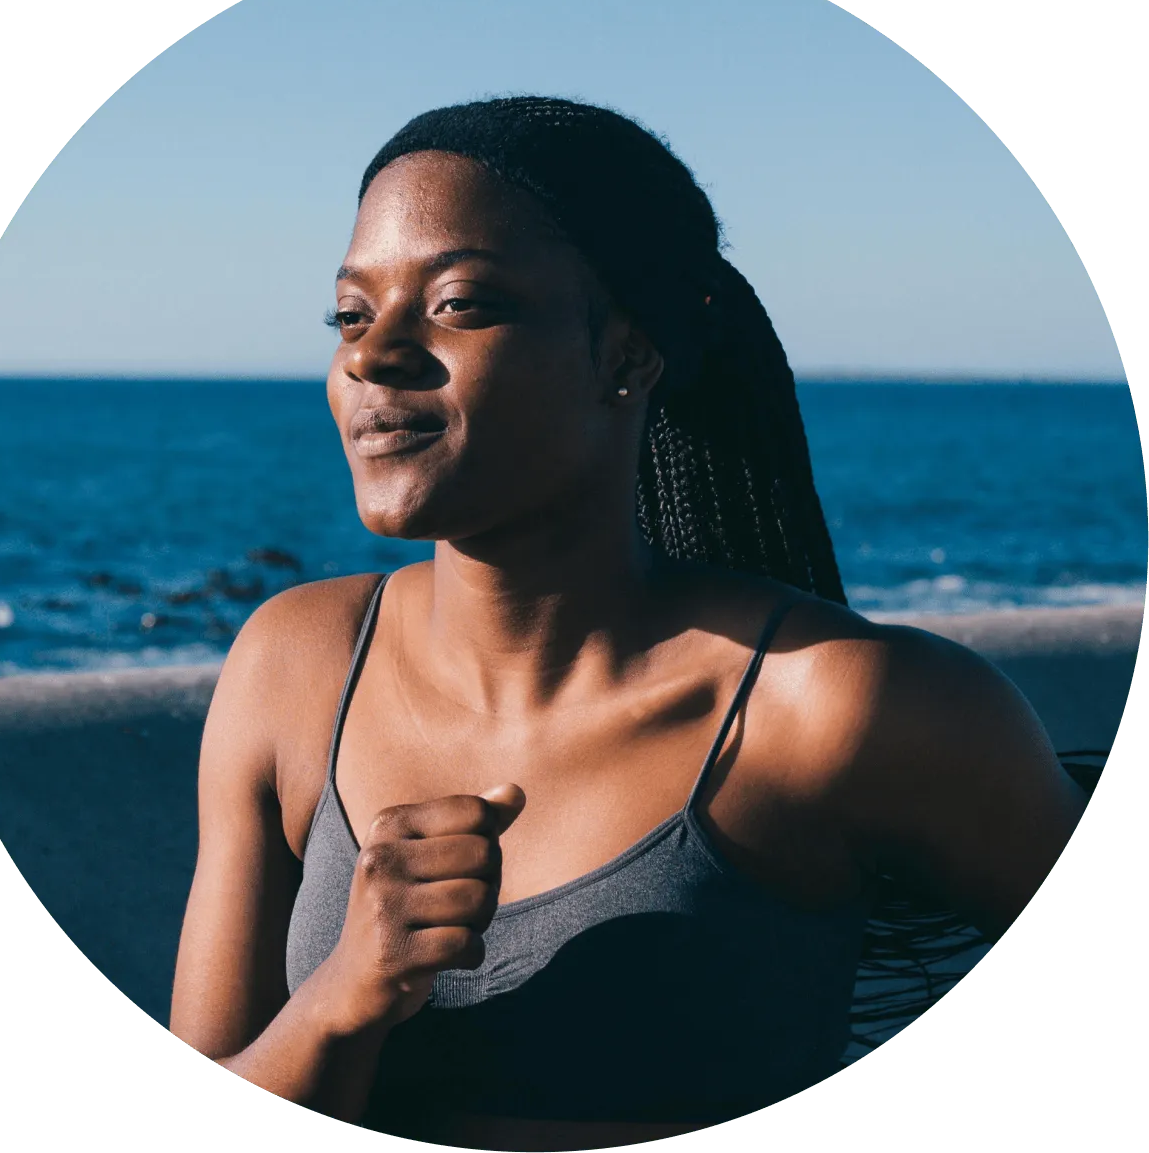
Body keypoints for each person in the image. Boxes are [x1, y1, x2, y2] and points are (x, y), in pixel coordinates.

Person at [169, 96, 1087, 1151]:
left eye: (460, 303)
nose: (373, 355)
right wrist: (343, 997)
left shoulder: (835, 708)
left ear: (630, 354)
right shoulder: (291, 668)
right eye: (350, 314)